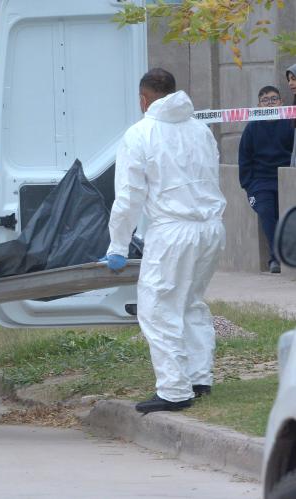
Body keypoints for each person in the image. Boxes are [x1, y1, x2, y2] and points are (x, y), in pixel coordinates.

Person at [104, 68, 226, 414]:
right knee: (191, 302)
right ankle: (199, 376)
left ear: (143, 99)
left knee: (158, 308)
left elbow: (129, 198)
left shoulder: (140, 134)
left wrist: (117, 245)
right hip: (211, 227)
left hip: (174, 230)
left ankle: (174, 390)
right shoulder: (201, 130)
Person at [238, 85, 292, 274]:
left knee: (287, 216)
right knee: (267, 212)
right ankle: (276, 259)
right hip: (260, 182)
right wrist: (248, 185)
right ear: (259, 105)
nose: (270, 103)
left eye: (274, 99)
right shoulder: (252, 128)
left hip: (286, 179)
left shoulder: (290, 123)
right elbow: (244, 159)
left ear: (281, 102)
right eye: (265, 100)